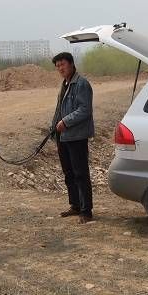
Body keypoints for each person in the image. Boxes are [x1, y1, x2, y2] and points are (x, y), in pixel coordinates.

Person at [50, 52, 95, 223]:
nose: (60, 68)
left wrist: (65, 122)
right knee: (68, 173)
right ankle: (75, 205)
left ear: (71, 64)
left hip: (76, 136)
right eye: (57, 66)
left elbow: (85, 109)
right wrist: (53, 128)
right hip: (64, 136)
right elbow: (59, 110)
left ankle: (86, 210)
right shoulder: (65, 84)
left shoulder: (81, 84)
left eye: (62, 64)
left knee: (80, 173)